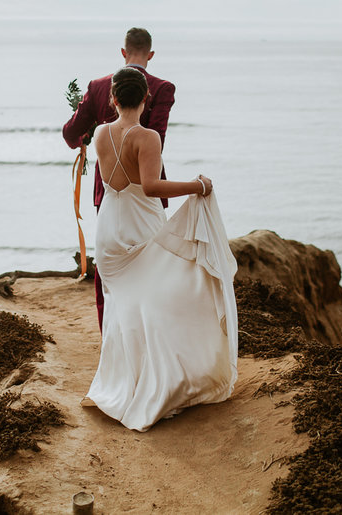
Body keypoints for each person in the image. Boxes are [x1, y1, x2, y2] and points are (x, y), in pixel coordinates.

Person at [82, 67, 238, 431]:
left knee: (125, 303)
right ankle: (159, 380)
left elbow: (114, 181)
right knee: (167, 295)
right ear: (146, 99)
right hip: (139, 227)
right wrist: (197, 186)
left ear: (113, 98)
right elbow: (151, 187)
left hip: (108, 230)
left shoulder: (101, 132)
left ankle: (127, 380)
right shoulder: (147, 137)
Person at [62, 28, 175, 330]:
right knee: (150, 265)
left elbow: (71, 134)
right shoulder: (163, 88)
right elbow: (157, 141)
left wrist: (88, 137)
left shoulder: (98, 87)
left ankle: (110, 336)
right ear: (150, 55)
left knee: (109, 268)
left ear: (123, 53)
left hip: (110, 191)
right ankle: (150, 335)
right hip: (147, 193)